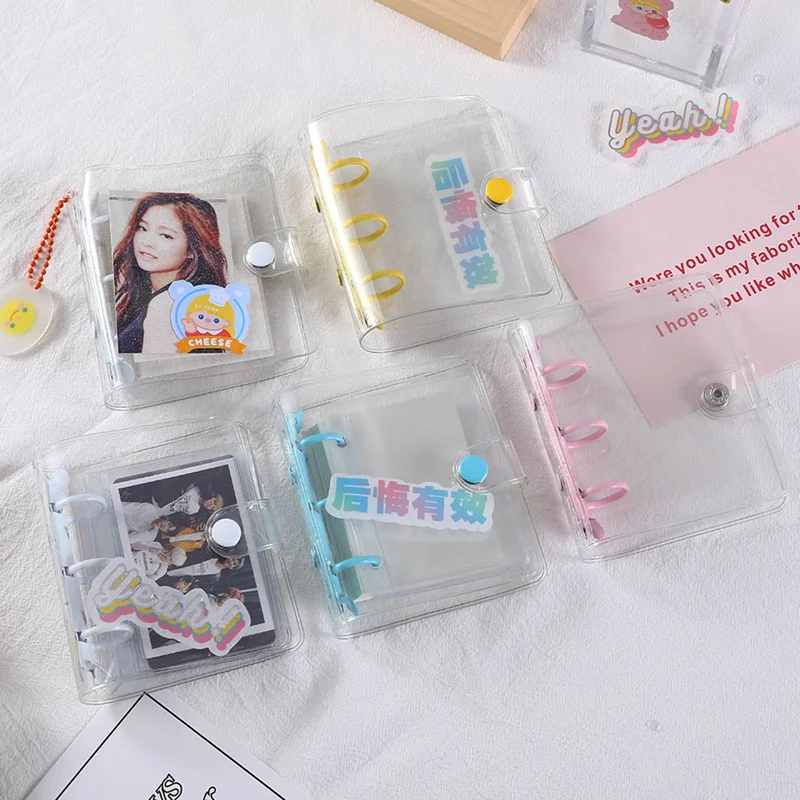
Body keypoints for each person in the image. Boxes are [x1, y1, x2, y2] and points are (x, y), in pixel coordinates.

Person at [114, 193, 228, 354]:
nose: (146, 242)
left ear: (192, 250)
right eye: (142, 228)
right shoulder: (180, 298)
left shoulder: (167, 304)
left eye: (166, 236)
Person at [166, 556, 244, 579]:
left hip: (175, 578)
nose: (231, 562)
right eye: (233, 559)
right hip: (171, 565)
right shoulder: (211, 556)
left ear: (231, 568)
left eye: (234, 564)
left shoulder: (215, 576)